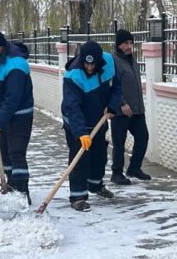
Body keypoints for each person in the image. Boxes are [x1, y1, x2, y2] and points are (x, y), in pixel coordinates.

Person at [61, 40, 121, 212]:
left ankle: (96, 185)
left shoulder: (109, 62)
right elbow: (72, 106)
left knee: (100, 155)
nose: (89, 67)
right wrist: (81, 133)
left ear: (99, 60)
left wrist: (112, 106)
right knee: (80, 159)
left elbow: (117, 87)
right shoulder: (73, 75)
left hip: (98, 118)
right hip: (76, 120)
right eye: (86, 63)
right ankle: (78, 196)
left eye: (93, 63)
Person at [0, 29, 34, 203]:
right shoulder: (1, 58)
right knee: (4, 152)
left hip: (19, 116)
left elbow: (13, 99)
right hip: (6, 115)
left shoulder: (17, 66)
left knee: (16, 152)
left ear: (3, 46)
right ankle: (11, 185)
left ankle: (22, 191)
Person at [109, 29, 151, 185]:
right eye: (126, 43)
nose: (129, 46)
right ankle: (116, 173)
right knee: (119, 142)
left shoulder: (133, 61)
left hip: (137, 109)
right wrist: (122, 103)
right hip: (121, 110)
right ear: (119, 44)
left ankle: (134, 168)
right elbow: (111, 85)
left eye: (131, 43)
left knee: (143, 137)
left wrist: (139, 106)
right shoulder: (113, 61)